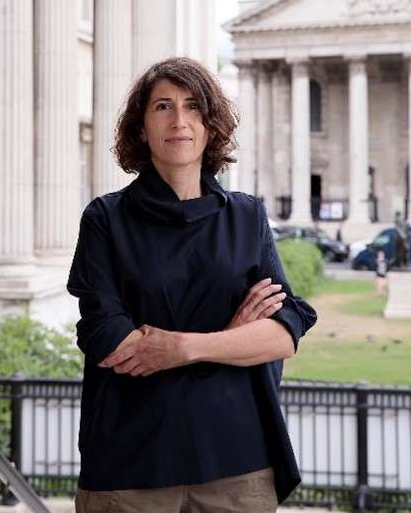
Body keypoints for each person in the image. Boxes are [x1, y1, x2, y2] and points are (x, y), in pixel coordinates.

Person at [67, 57, 317, 513]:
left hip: (237, 462)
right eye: (163, 106)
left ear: (210, 125)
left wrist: (184, 347)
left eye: (193, 106)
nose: (179, 120)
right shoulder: (106, 219)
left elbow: (283, 334)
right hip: (130, 466)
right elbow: (110, 341)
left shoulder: (246, 216)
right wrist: (234, 339)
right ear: (141, 128)